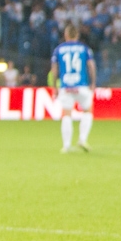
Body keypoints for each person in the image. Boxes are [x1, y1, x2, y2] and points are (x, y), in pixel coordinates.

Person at [50, 24, 96, 153]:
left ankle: (66, 145)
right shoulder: (84, 48)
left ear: (66, 35)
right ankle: (82, 139)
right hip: (81, 85)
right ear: (77, 35)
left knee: (66, 114)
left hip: (66, 86)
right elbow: (91, 66)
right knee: (88, 111)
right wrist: (93, 82)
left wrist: (55, 86)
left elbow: (54, 70)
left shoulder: (59, 49)